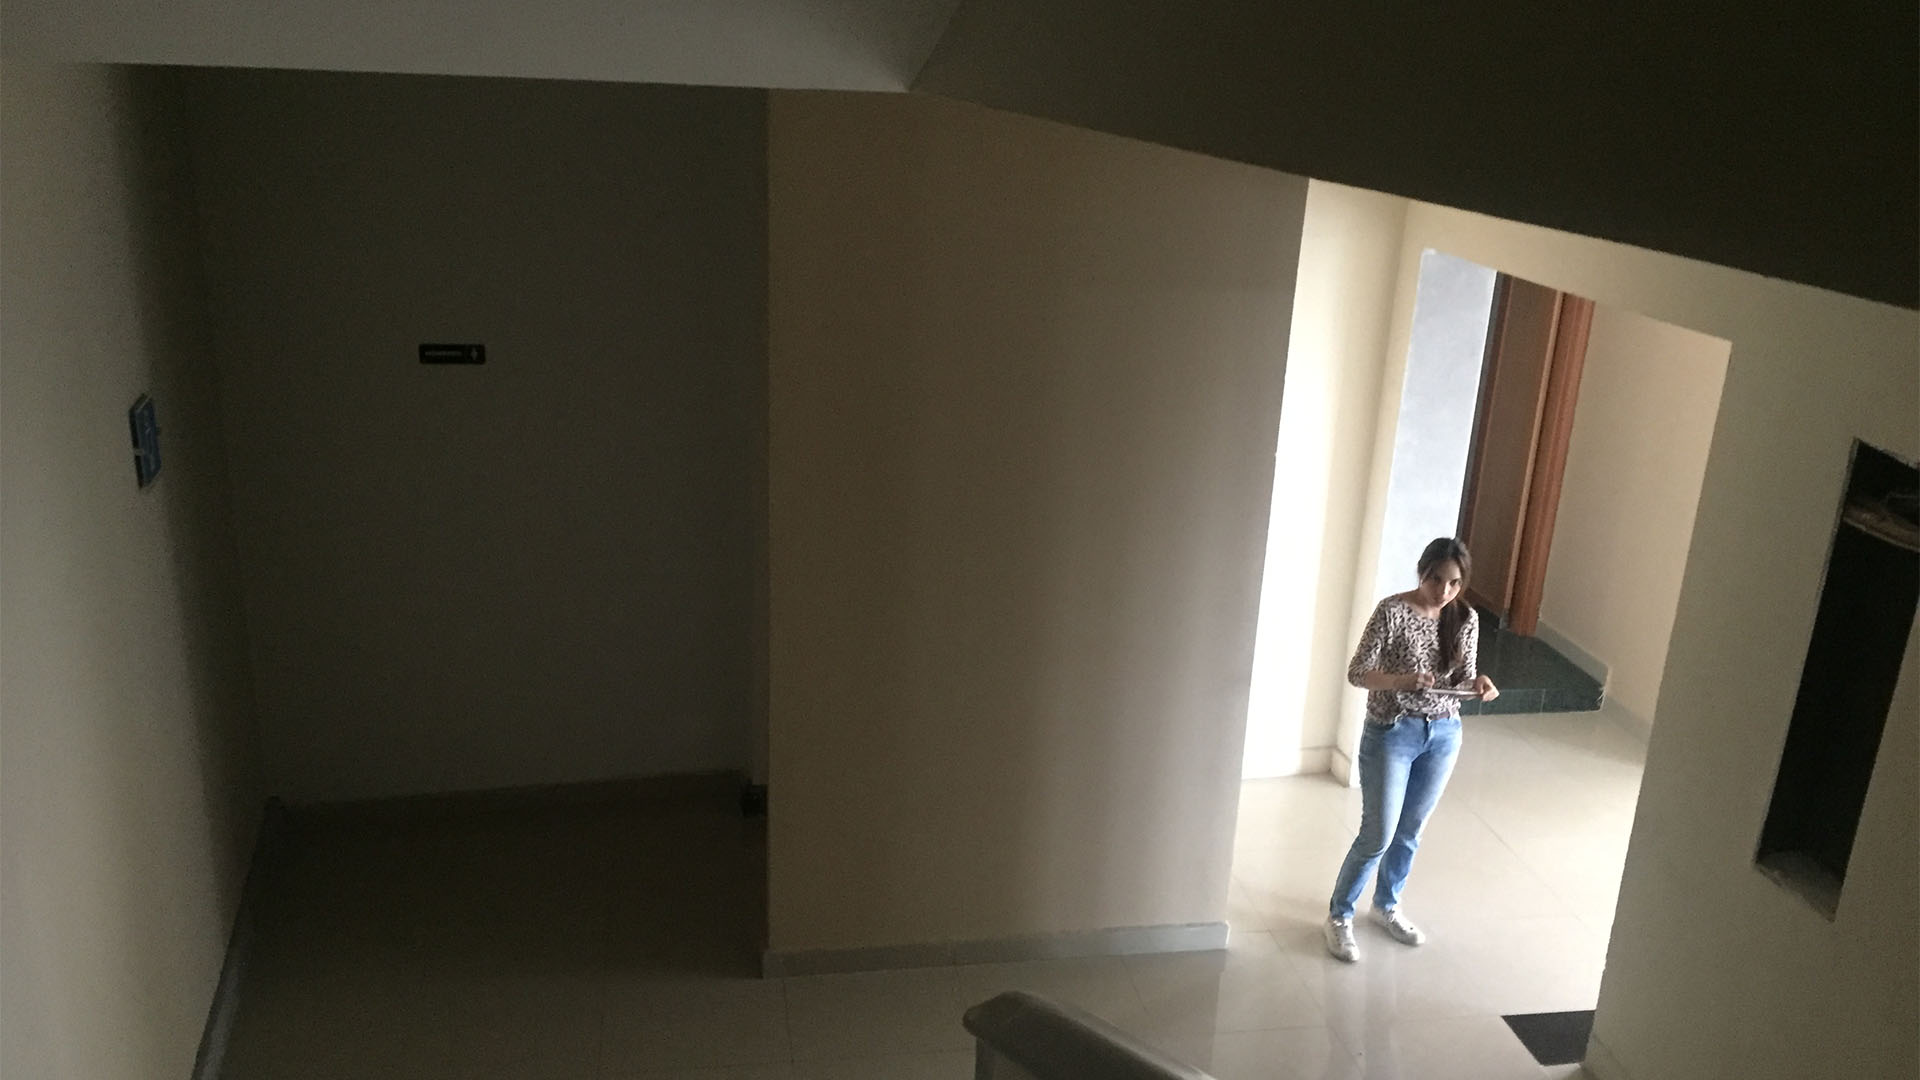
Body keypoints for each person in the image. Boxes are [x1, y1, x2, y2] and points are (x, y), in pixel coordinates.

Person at [1323, 537, 1498, 963]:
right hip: (1392, 731)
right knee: (1378, 833)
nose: (1443, 591)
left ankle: (1387, 905)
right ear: (1421, 572)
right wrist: (1400, 681)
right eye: (1435, 579)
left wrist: (1479, 685)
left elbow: (1464, 676)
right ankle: (1339, 915)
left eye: (1454, 583)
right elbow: (1358, 673)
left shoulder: (1466, 617)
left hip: (1444, 732)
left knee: (1411, 830)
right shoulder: (1392, 612)